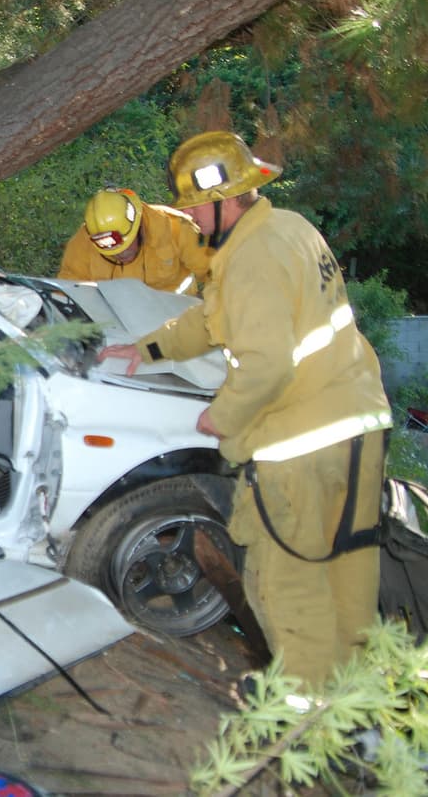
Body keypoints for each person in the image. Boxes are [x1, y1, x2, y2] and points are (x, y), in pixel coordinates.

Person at [98, 131, 390, 690]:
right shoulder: (290, 229)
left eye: (195, 206)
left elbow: (267, 364)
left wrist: (223, 416)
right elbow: (214, 319)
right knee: (348, 571)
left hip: (302, 444)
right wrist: (147, 350)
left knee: (284, 582)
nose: (190, 217)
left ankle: (305, 711)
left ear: (223, 199)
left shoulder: (251, 258)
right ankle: (358, 705)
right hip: (360, 428)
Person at [59, 186, 212, 294]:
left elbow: (215, 273)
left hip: (177, 318)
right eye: (111, 251)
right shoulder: (82, 244)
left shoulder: (176, 227)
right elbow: (68, 291)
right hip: (119, 323)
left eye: (126, 245)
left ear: (138, 226)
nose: (120, 254)